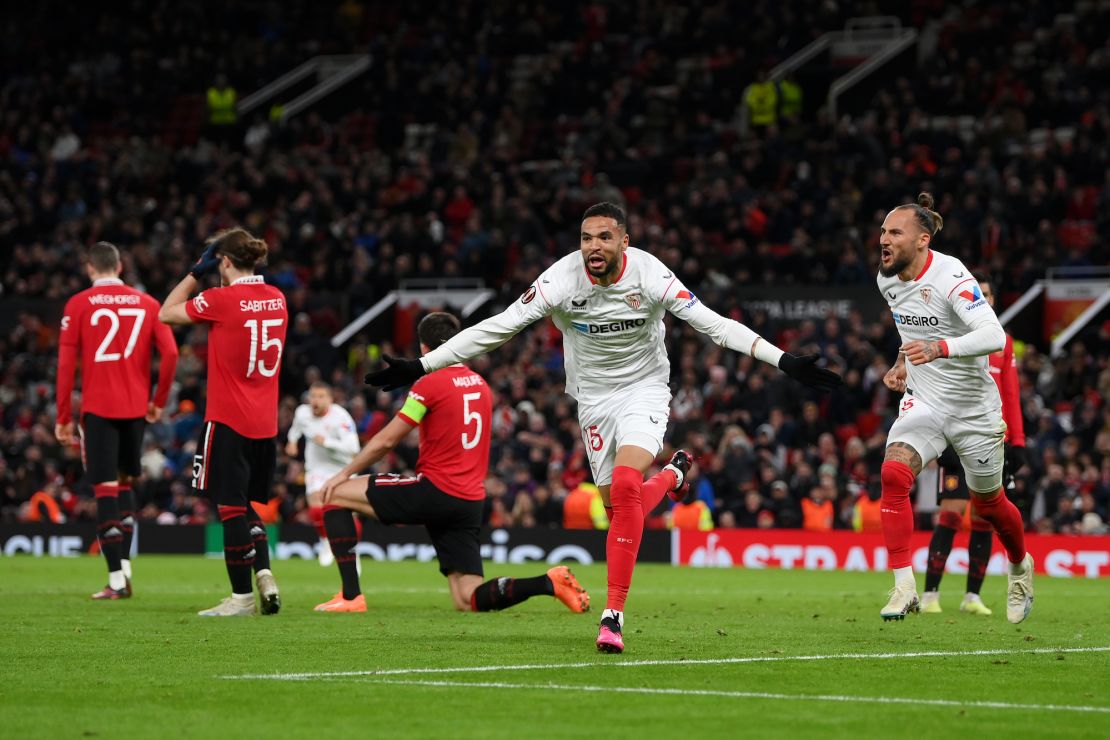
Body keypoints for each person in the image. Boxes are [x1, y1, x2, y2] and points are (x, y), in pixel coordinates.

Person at [363, 202, 841, 653]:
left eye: (605, 237)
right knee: (619, 509)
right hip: (592, 400)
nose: (593, 246)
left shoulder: (651, 275)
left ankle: (612, 616)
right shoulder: (560, 279)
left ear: (624, 242)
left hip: (644, 390)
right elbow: (500, 326)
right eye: (586, 238)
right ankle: (671, 478)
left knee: (628, 485)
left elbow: (713, 324)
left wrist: (783, 360)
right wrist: (421, 366)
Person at [318, 312, 590, 616]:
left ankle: (351, 596)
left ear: (423, 348)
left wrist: (343, 472)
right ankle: (547, 582)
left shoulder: (429, 383)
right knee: (468, 598)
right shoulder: (481, 386)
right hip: (469, 500)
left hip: (435, 490)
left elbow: (387, 441)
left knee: (334, 494)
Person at [877, 192, 1033, 624]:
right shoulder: (886, 278)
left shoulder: (954, 278)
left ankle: (1020, 567)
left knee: (988, 504)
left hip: (973, 410)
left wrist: (939, 347)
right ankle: (904, 585)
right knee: (893, 473)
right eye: (883, 232)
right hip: (925, 400)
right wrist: (902, 362)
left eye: (894, 233)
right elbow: (909, 327)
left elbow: (993, 336)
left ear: (923, 239)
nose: (883, 240)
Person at [159, 228, 288, 617]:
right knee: (247, 505)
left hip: (228, 418)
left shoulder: (221, 299)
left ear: (225, 262)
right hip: (265, 424)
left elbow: (165, 312)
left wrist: (196, 273)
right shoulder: (278, 298)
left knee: (230, 508)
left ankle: (241, 599)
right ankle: (264, 571)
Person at [55, 241, 178, 599]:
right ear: (120, 267)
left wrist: (63, 415)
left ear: (89, 268)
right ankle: (124, 569)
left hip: (99, 409)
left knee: (105, 491)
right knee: (124, 486)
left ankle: (115, 581)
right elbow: (170, 353)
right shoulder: (148, 303)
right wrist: (157, 401)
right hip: (136, 409)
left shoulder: (78, 304)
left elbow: (65, 366)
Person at [921, 277, 1028, 616]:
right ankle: (930, 596)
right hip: (954, 435)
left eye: (988, 293)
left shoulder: (1003, 342)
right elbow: (935, 388)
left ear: (992, 299)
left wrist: (1018, 441)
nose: (984, 298)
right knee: (951, 513)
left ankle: (972, 597)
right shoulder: (949, 337)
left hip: (991, 437)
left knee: (985, 517)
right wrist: (940, 437)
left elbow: (1010, 393)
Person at [285, 381, 361, 567]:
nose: (315, 401)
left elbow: (354, 447)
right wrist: (292, 442)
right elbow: (296, 429)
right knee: (316, 505)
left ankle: (352, 550)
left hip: (343, 468)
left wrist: (327, 441)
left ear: (330, 399)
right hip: (317, 467)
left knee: (348, 515)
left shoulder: (341, 418)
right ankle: (326, 540)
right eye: (313, 396)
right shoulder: (302, 412)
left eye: (320, 397)